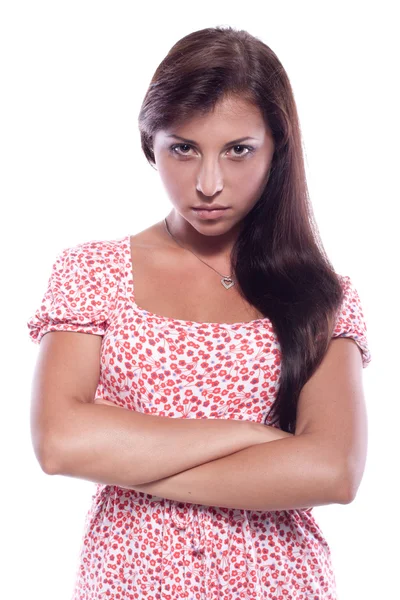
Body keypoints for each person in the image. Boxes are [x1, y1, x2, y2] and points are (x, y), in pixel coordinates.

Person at [27, 25, 372, 600]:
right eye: (183, 148)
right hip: (131, 582)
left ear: (276, 148)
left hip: (278, 584)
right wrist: (256, 438)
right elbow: (60, 443)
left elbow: (332, 472)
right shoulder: (92, 272)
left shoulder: (322, 295)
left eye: (238, 150)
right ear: (150, 144)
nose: (209, 184)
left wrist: (127, 459)